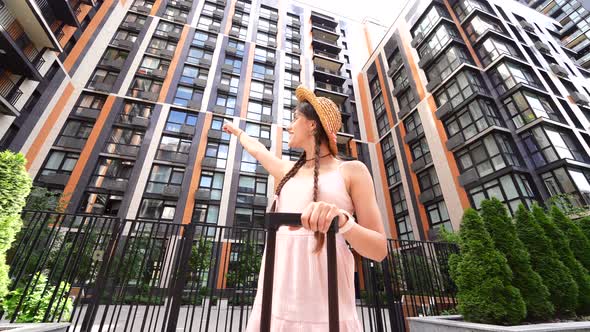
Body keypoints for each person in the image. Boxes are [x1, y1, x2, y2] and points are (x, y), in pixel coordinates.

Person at [222, 85, 387, 331]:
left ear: (312, 125)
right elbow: (258, 150)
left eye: (295, 118)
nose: (290, 125)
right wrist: (238, 133)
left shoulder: (353, 171)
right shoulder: (288, 171)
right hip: (277, 294)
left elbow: (379, 249)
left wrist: (343, 222)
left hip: (326, 300)